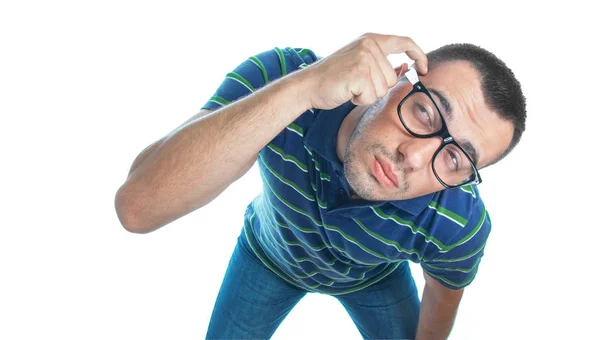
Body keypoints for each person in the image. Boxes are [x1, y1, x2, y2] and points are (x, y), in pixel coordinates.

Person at [114, 33, 527, 339]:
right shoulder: (282, 77)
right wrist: (303, 89)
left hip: (373, 279)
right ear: (397, 77)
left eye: (456, 158)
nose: (415, 157)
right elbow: (137, 207)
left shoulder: (458, 220)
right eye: (425, 111)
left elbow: (441, 299)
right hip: (266, 256)